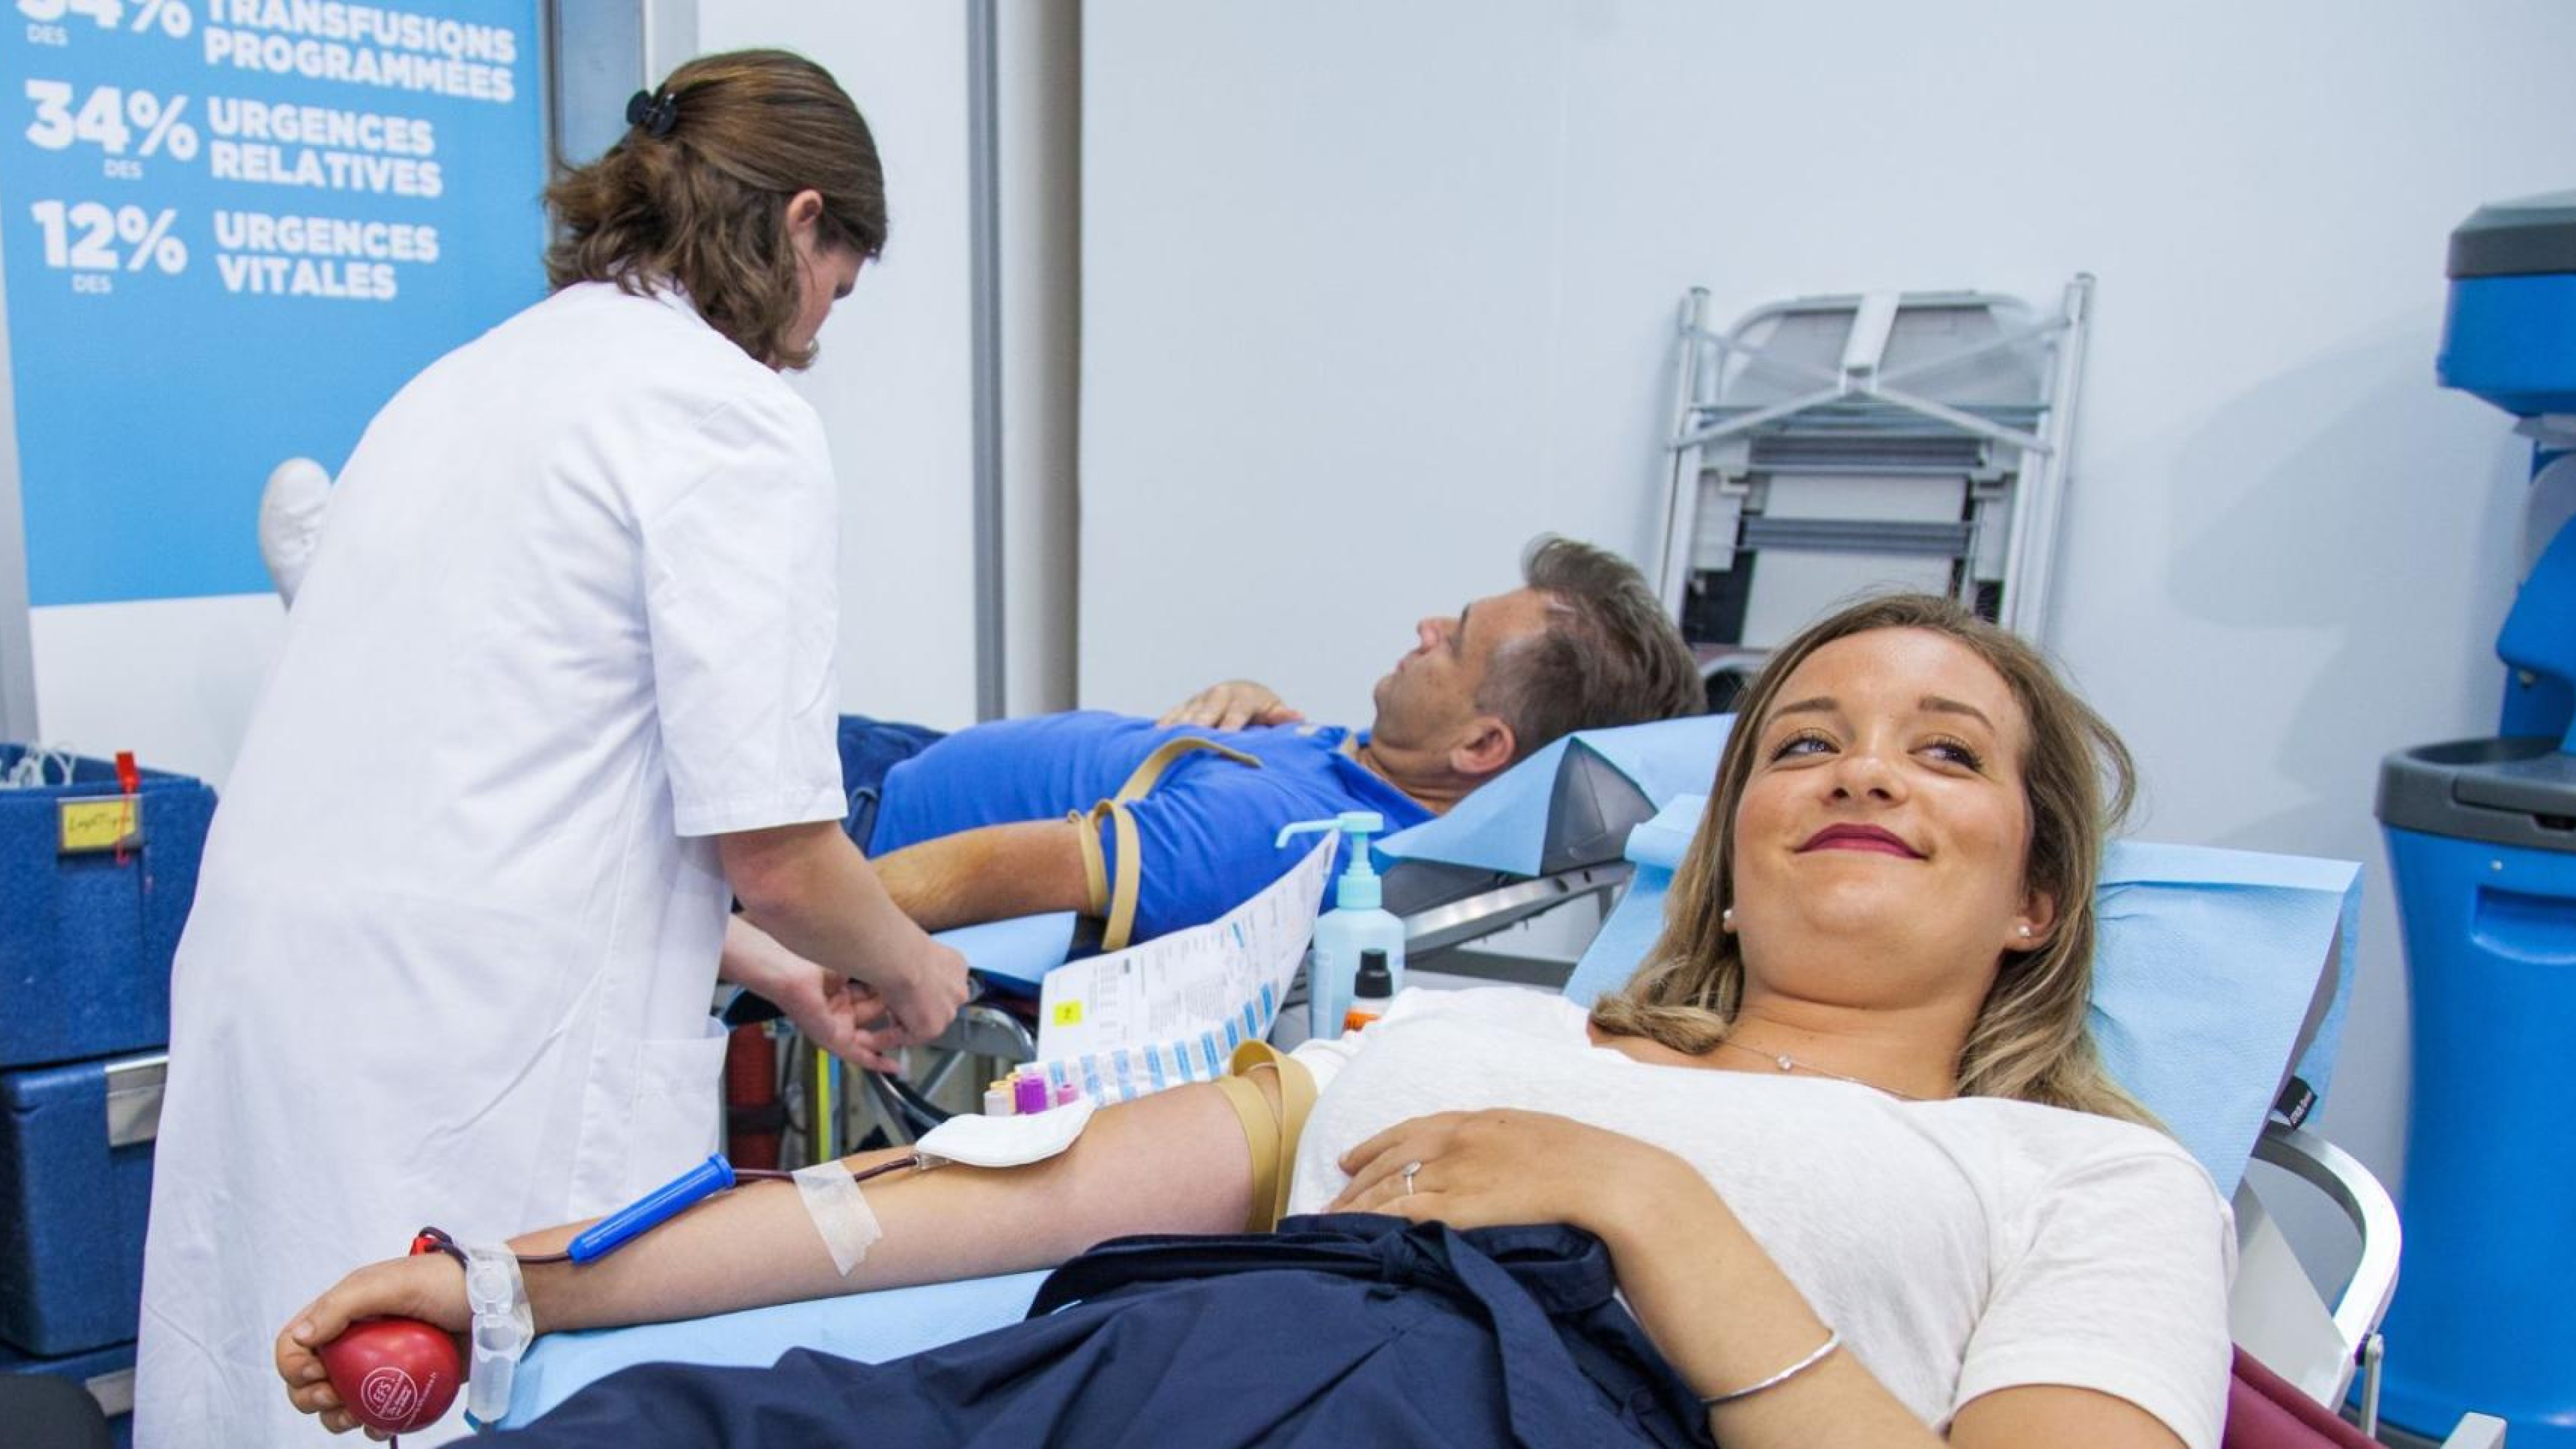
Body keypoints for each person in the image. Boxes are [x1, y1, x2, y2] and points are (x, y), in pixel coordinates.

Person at [276, 592, 2233, 1448]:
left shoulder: (2088, 1183)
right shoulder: (1478, 1046)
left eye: (1944, 752)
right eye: (1802, 742)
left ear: (2039, 897)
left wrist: (1653, 1210)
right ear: (1721, 863)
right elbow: (987, 1190)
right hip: (1142, 1367)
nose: (1860, 768)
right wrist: (521, 1285)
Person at [140, 50, 971, 1448]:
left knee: (267, 1376)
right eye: (836, 289)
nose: (814, 338)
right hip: (465, 1053)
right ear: (799, 222)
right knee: (460, 1399)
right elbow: (775, 851)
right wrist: (912, 967)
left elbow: (516, 800)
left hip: (279, 995)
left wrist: (788, 978)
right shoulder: (729, 417)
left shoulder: (461, 384)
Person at [780, 535, 1705, 957]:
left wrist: (777, 915)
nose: (1427, 627)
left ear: (1480, 747)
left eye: (1454, 640)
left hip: (847, 829)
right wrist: (1258, 713)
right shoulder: (1371, 779)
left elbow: (1000, 870)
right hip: (894, 764)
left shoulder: (1279, 835)